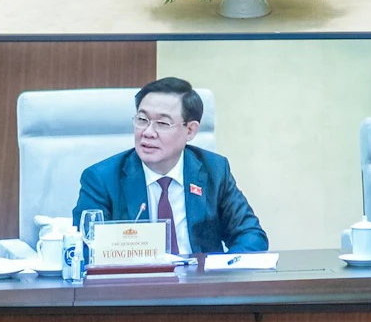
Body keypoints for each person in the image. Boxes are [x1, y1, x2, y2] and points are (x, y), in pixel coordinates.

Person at [71, 77, 267, 255]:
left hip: (201, 281)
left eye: (163, 124)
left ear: (190, 131)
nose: (148, 132)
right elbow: (86, 248)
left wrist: (222, 269)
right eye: (142, 120)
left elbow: (251, 235)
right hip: (135, 281)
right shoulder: (102, 179)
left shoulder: (214, 170)